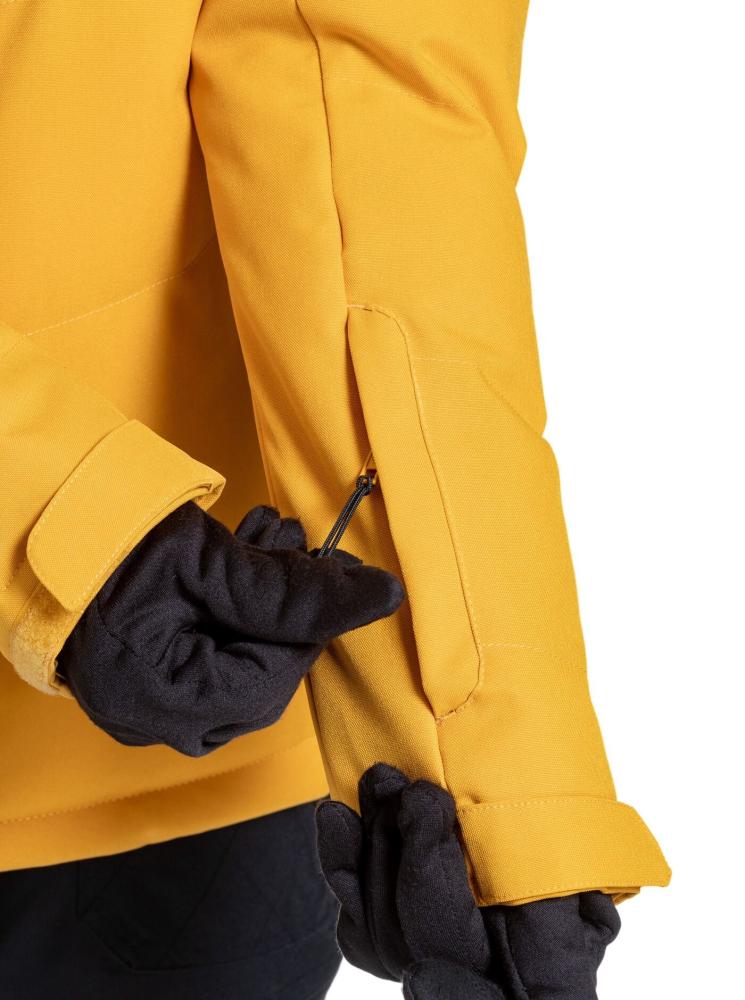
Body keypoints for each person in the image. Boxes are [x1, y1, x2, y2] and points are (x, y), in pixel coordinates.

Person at [0, 1, 671, 997]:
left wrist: (487, 786)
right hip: (160, 652)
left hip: (189, 777)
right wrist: (58, 515)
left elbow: (371, 122)